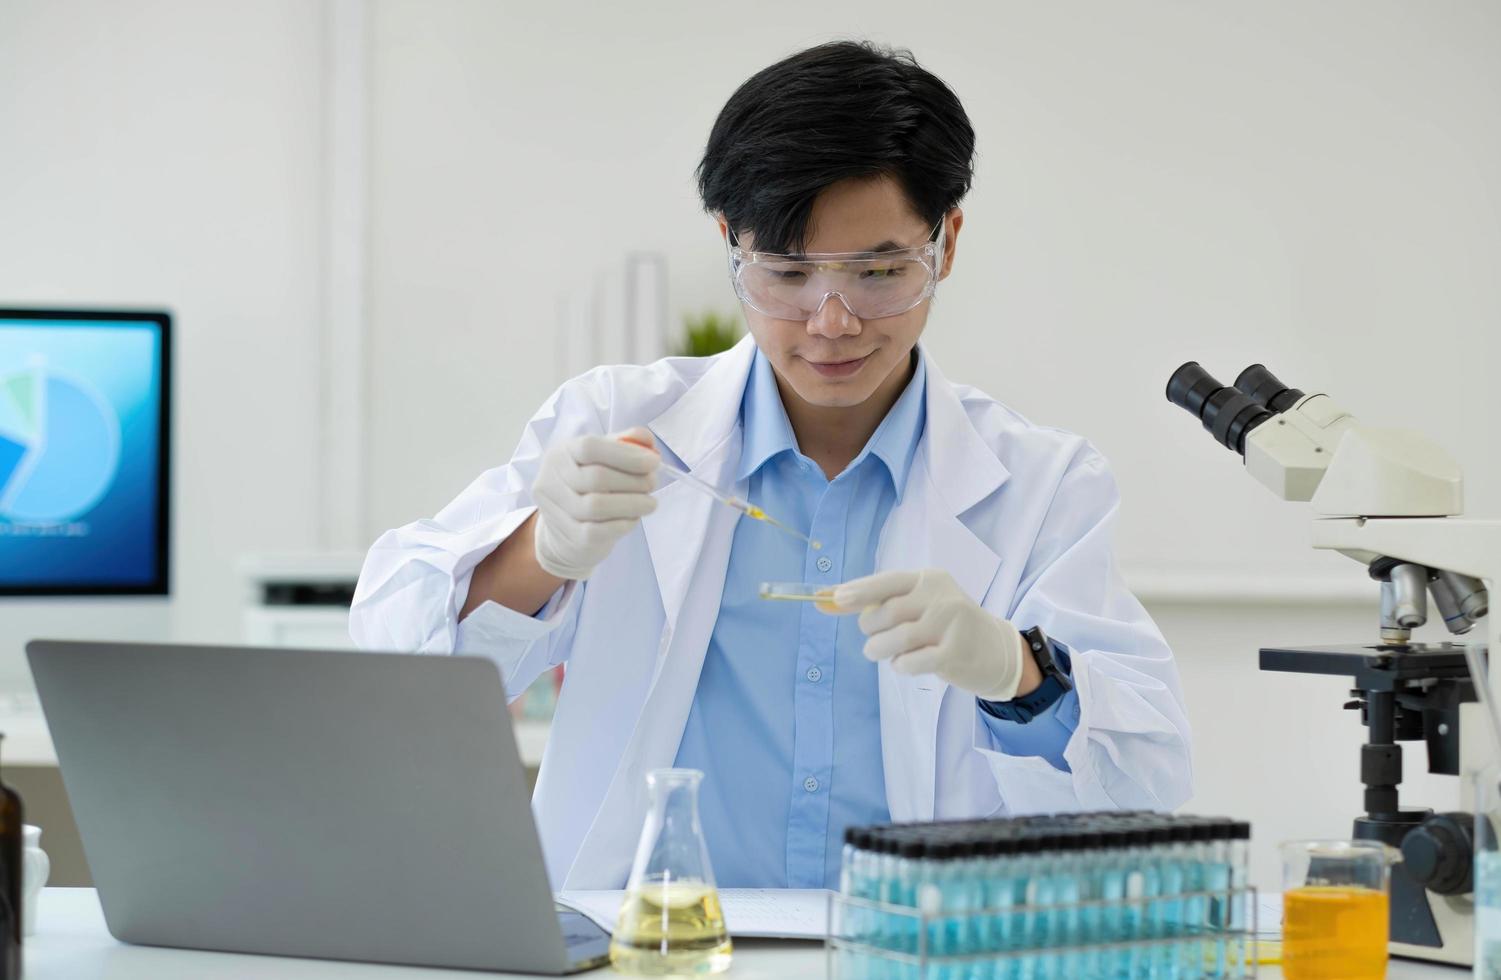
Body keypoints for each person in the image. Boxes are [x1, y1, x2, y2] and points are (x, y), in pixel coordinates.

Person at [351, 41, 1191, 891]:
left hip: (911, 950)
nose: (832, 322)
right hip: (653, 948)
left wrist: (1017, 674)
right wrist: (542, 552)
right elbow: (397, 674)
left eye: (879, 272)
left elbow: (1146, 791)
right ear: (730, 243)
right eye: (787, 272)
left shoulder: (1042, 486)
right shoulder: (615, 424)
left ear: (947, 244)